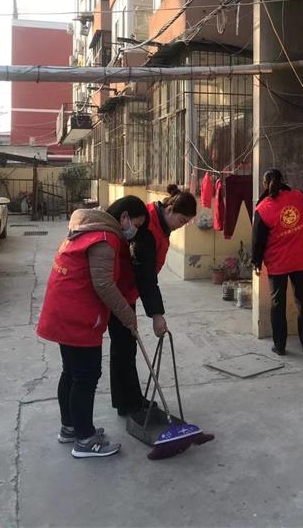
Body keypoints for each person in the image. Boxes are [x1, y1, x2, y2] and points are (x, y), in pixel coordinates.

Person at [36, 195, 149, 458]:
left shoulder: (87, 229)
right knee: (86, 375)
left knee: (71, 372)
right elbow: (104, 285)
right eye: (135, 224)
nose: (134, 231)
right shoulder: (104, 239)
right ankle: (85, 440)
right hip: (77, 314)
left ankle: (70, 428)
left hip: (63, 308)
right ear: (124, 217)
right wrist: (127, 315)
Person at [110, 185, 197, 416]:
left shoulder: (158, 224)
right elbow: (146, 276)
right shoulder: (147, 228)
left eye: (186, 222)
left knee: (125, 347)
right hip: (118, 292)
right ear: (169, 209)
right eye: (182, 220)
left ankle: (130, 400)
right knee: (124, 347)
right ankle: (129, 404)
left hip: (127, 290)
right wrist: (157, 315)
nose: (182, 225)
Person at [252, 169, 303, 355]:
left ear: (264, 184)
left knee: (277, 305)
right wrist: (288, 189)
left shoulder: (263, 208)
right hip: (301, 260)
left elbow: (258, 240)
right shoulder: (299, 197)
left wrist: (256, 262)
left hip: (278, 264)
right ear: (283, 182)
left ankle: (279, 346)